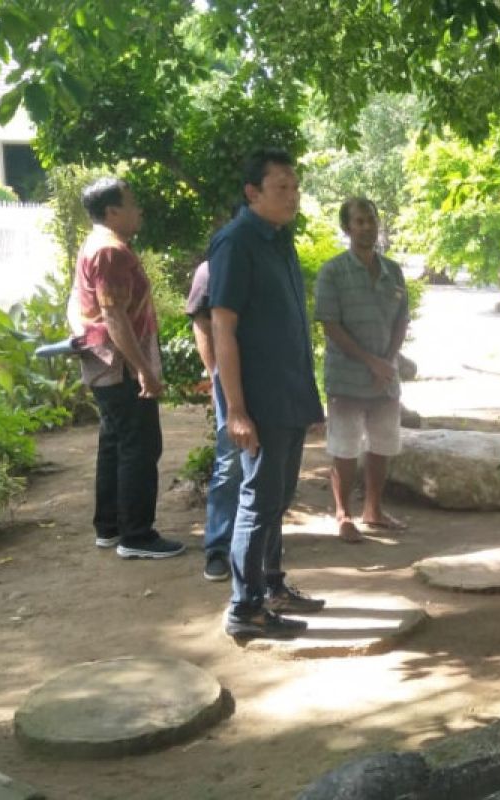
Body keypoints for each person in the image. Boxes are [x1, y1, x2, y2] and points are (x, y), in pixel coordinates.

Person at [208, 149, 325, 640]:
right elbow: (222, 328)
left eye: (296, 187)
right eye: (282, 187)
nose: (292, 196)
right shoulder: (236, 243)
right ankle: (246, 607)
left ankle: (271, 587)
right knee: (257, 500)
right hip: (258, 401)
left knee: (278, 498)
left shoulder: (279, 240)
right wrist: (235, 410)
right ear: (252, 193)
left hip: (289, 394)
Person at [67, 177, 186, 560]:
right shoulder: (111, 251)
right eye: (132, 204)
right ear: (113, 211)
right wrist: (144, 371)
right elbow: (114, 316)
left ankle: (111, 527)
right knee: (141, 444)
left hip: (105, 362)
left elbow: (82, 306)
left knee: (116, 442)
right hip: (120, 365)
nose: (139, 211)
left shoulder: (96, 245)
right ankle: (137, 535)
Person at [314, 197, 410, 543]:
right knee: (344, 446)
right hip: (347, 376)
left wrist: (388, 360)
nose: (366, 226)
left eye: (370, 219)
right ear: (347, 228)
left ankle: (374, 510)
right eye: (359, 221)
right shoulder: (333, 272)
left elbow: (402, 321)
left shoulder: (393, 271)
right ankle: (343, 515)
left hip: (385, 378)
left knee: (383, 444)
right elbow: (330, 325)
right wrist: (371, 362)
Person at [186, 260, 239, 581]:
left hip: (269, 379)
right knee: (230, 462)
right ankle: (218, 547)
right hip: (230, 382)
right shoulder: (211, 270)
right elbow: (202, 325)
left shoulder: (270, 259)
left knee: (265, 463)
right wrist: (217, 377)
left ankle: (257, 541)